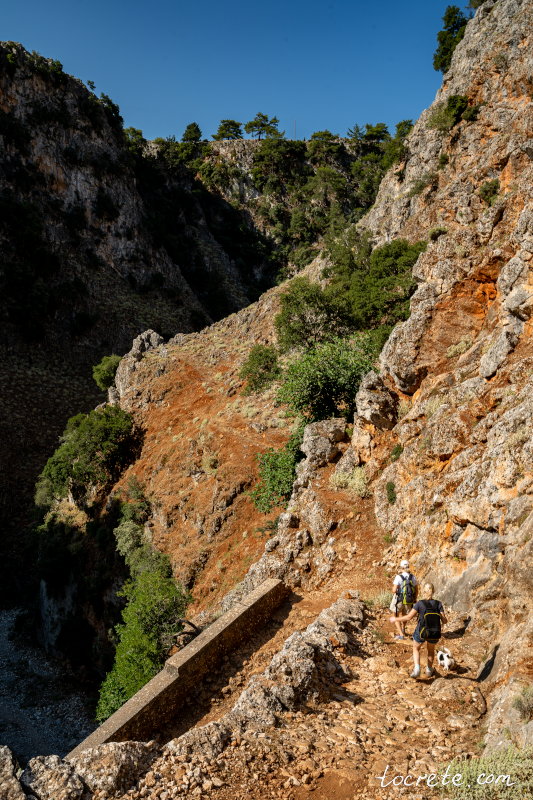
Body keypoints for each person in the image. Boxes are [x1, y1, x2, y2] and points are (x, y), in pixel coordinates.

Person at [390, 581, 447, 678]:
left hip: (421, 631)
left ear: (423, 591)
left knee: (416, 648)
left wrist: (396, 619)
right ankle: (429, 670)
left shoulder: (420, 604)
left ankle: (417, 669)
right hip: (434, 632)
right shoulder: (438, 604)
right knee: (431, 650)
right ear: (433, 591)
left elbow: (408, 617)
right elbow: (445, 621)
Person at [390, 559, 418, 640]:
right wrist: (415, 598)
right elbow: (416, 590)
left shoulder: (398, 577)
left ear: (401, 568)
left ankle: (401, 634)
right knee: (405, 615)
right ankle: (403, 628)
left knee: (395, 615)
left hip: (399, 600)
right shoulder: (413, 577)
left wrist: (396, 589)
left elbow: (394, 590)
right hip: (409, 600)